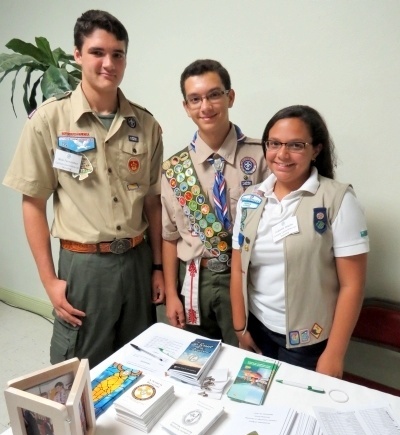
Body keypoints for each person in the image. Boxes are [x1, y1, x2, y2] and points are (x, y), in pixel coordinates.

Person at [3, 10, 164, 368]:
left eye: (118, 54)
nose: (109, 63)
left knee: (137, 364)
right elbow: (33, 203)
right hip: (85, 266)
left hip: (137, 260)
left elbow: (153, 202)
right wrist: (48, 280)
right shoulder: (50, 120)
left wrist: (156, 267)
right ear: (77, 55)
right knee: (78, 369)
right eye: (97, 52)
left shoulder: (147, 124)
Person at [230, 105, 369, 377]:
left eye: (296, 145)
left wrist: (334, 353)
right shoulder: (251, 199)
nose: (282, 154)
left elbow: (352, 285)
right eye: (274, 143)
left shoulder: (338, 200)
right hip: (257, 329)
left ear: (315, 149)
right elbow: (238, 268)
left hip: (309, 341)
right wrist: (240, 327)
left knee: (299, 412)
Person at [161, 59, 268, 346]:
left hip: (247, 278)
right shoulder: (174, 168)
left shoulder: (264, 157)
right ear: (186, 107)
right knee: (200, 360)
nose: (205, 107)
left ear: (229, 97)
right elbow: (170, 237)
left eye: (213, 95)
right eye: (195, 99)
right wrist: (172, 294)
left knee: (250, 361)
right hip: (195, 280)